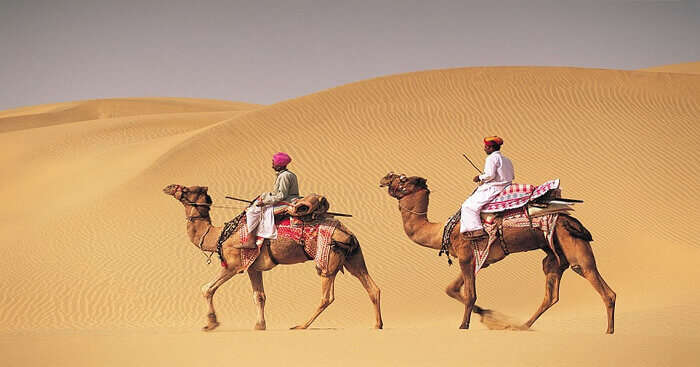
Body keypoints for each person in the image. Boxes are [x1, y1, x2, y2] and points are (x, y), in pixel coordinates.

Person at [460, 136, 514, 239]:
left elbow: (490, 175)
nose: (484, 149)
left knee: (468, 206)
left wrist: (480, 177)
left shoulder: (491, 158)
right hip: (507, 185)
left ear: (491, 148)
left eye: (486, 147)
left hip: (495, 188)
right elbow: (511, 175)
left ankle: (476, 230)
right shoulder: (507, 160)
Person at [244, 152, 300, 247]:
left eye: (274, 162)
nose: (272, 164)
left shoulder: (284, 176)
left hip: (287, 202)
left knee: (253, 212)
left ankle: (251, 240)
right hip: (287, 199)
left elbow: (281, 195)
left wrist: (265, 202)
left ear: (279, 164)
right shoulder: (286, 174)